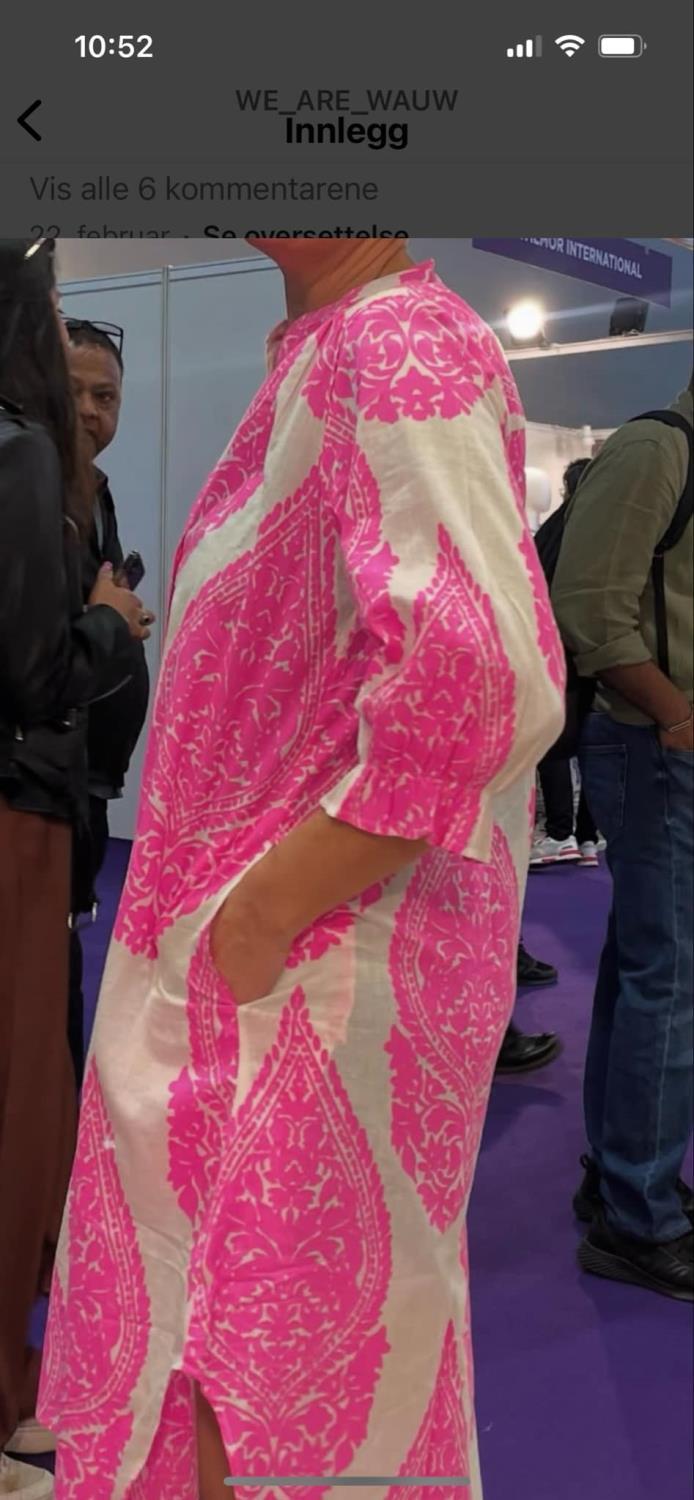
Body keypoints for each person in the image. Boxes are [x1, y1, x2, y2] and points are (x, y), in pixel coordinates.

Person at [38, 239, 564, 1499]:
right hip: (279, 978)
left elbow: (475, 685)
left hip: (316, 979)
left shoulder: (395, 339)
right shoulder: (334, 347)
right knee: (230, 1367)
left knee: (269, 1392)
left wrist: (254, 922)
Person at [0, 239, 148, 1496]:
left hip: (48, 812)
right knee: (23, 1098)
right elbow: (37, 673)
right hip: (19, 815)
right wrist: (112, 622)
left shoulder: (54, 471)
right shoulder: (22, 456)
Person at [553, 376, 693, 1300]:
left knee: (648, 965)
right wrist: (676, 715)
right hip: (651, 746)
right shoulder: (656, 448)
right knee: (668, 976)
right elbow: (589, 608)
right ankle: (639, 1216)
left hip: (662, 747)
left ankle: (622, 1179)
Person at [63, 319, 151, 1092]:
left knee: (66, 944)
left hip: (89, 769)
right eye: (75, 392)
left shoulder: (95, 490)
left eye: (107, 396)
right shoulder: (29, 486)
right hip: (46, 776)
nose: (92, 410)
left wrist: (117, 618)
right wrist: (103, 623)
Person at [531, 459, 600, 868]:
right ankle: (589, 835)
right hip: (603, 650)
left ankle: (561, 834)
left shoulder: (555, 531)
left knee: (554, 741)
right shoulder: (606, 527)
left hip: (557, 650)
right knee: (595, 740)